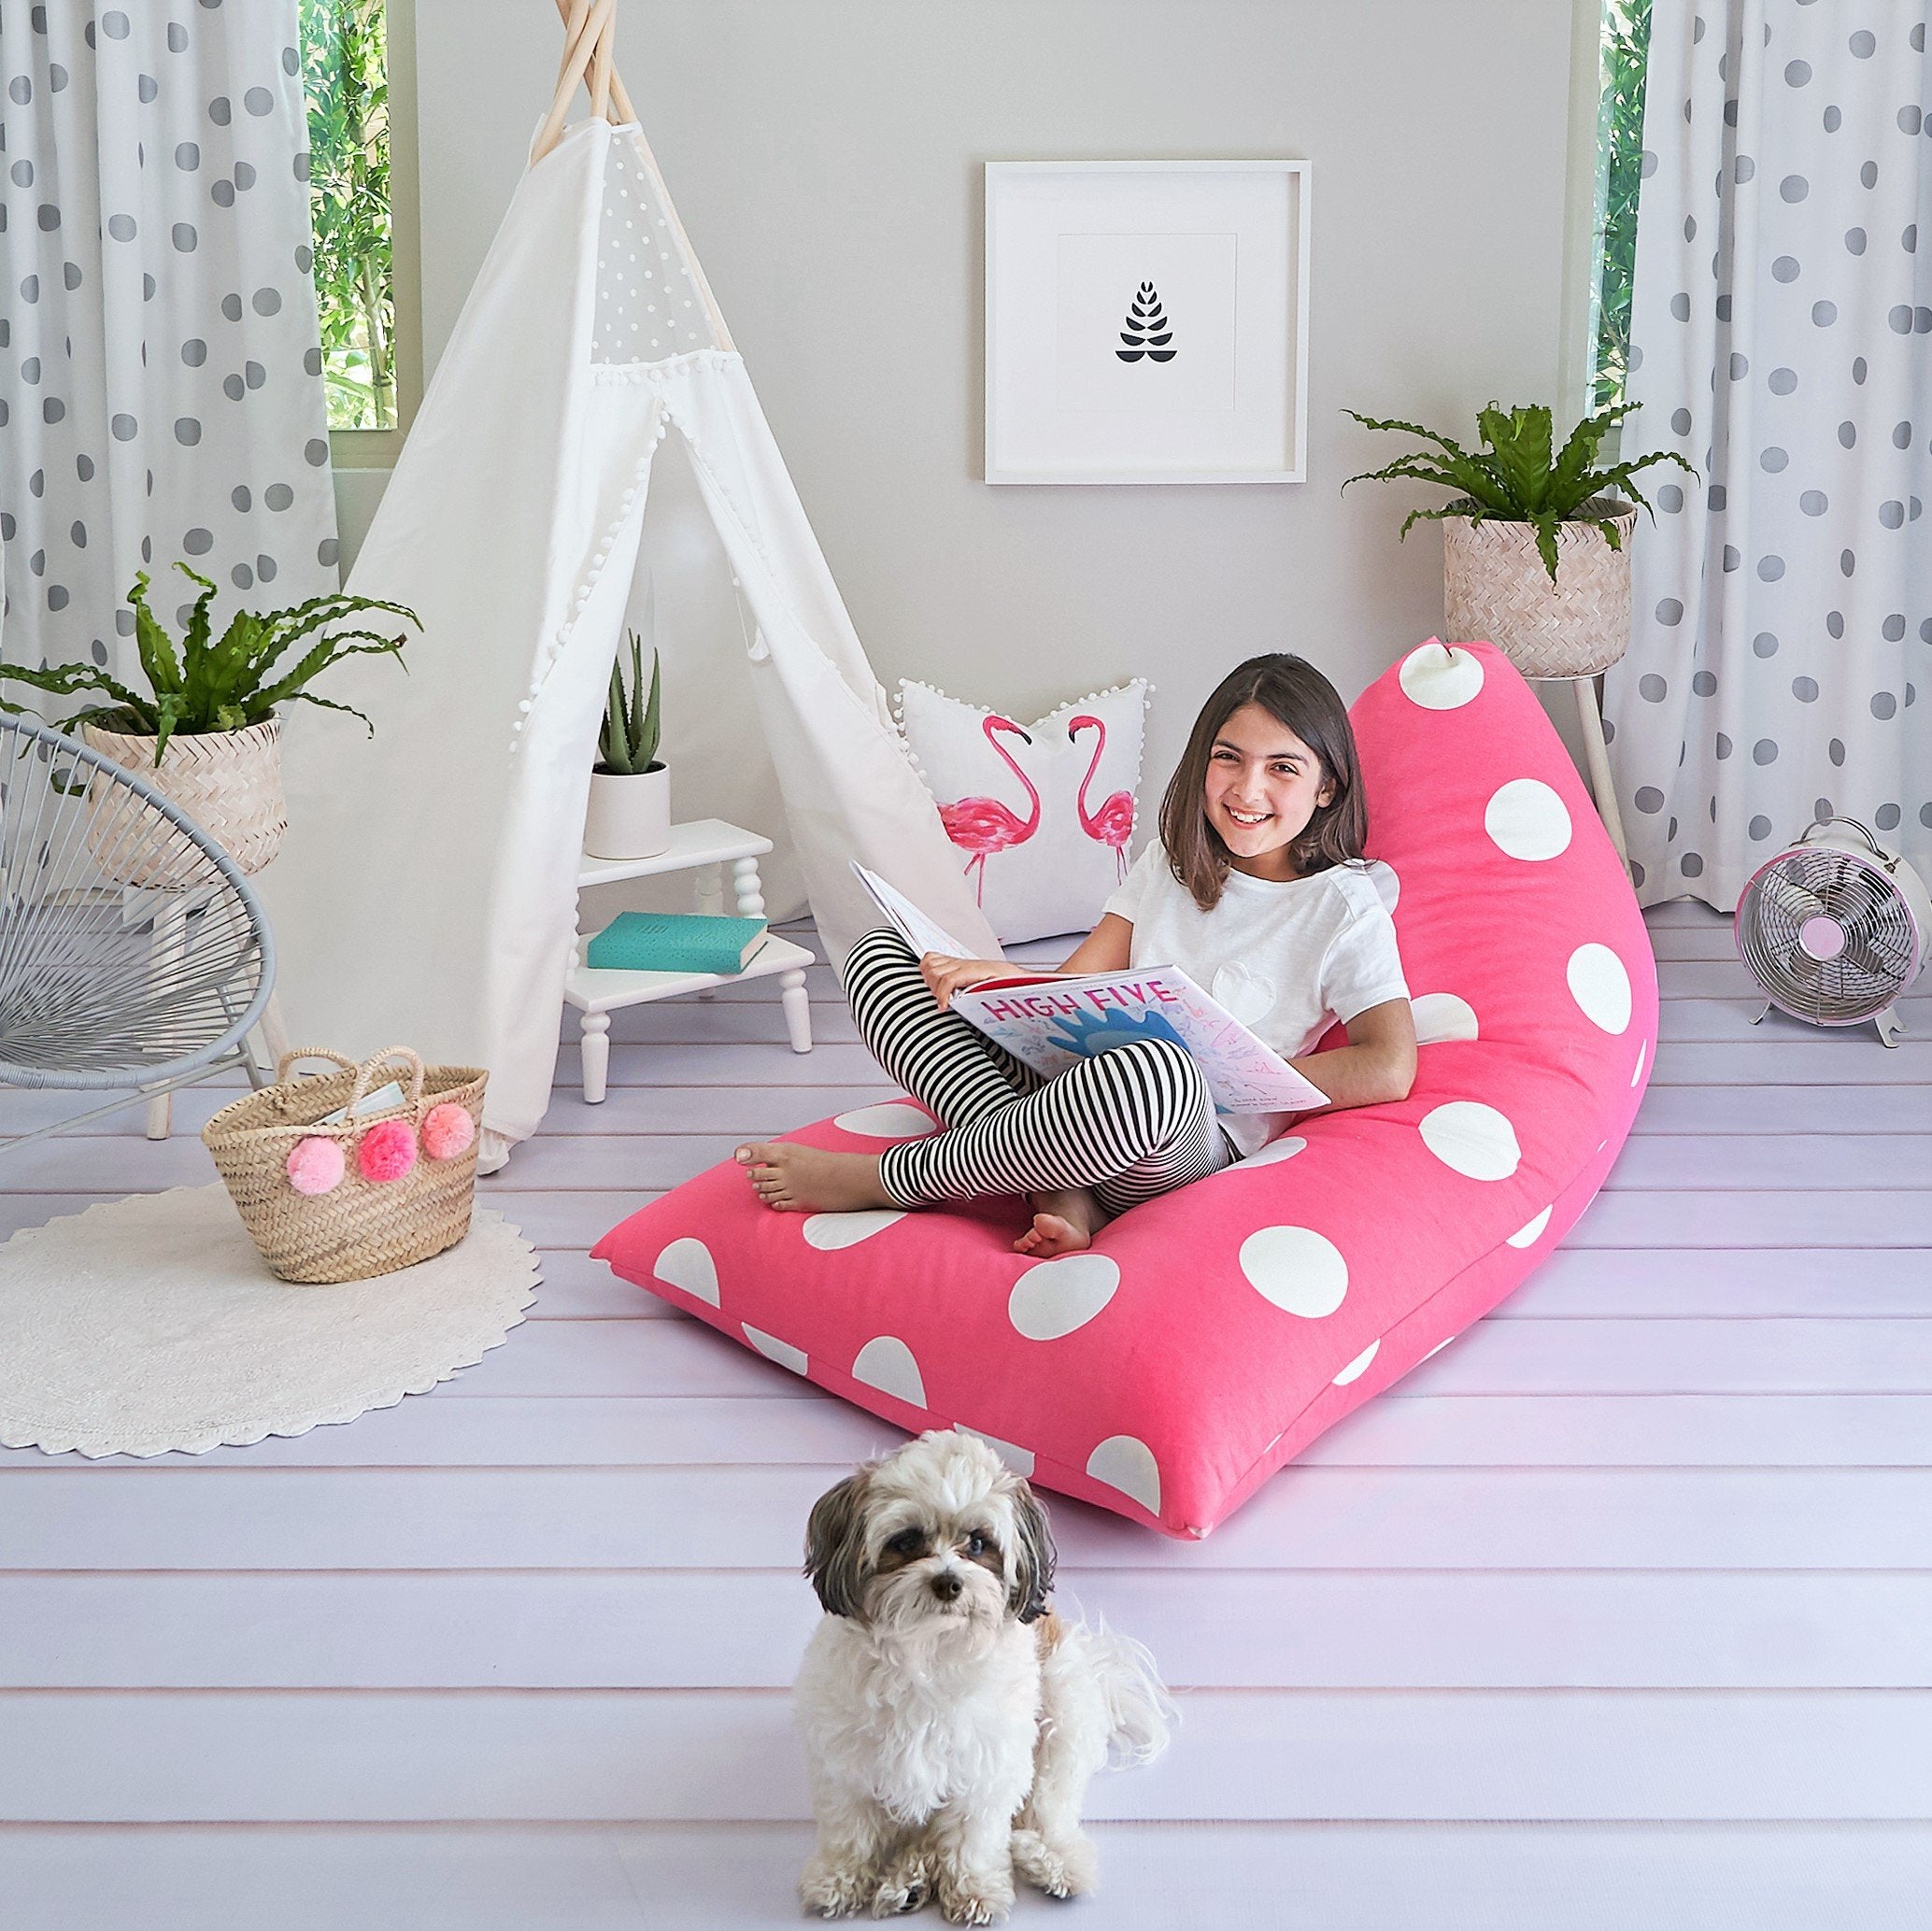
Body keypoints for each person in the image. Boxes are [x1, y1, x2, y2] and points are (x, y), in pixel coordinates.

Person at [736, 653, 1417, 1258]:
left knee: (1159, 1071)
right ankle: (1058, 1187)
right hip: (1071, 1091)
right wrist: (993, 977)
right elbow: (1072, 991)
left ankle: (885, 1180)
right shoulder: (1172, 863)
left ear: (1327, 786)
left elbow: (1389, 1065)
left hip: (1177, 1132)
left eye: (1283, 768)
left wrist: (1229, 1075)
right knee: (885, 958)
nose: (1246, 789)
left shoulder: (1344, 908)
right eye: (1229, 756)